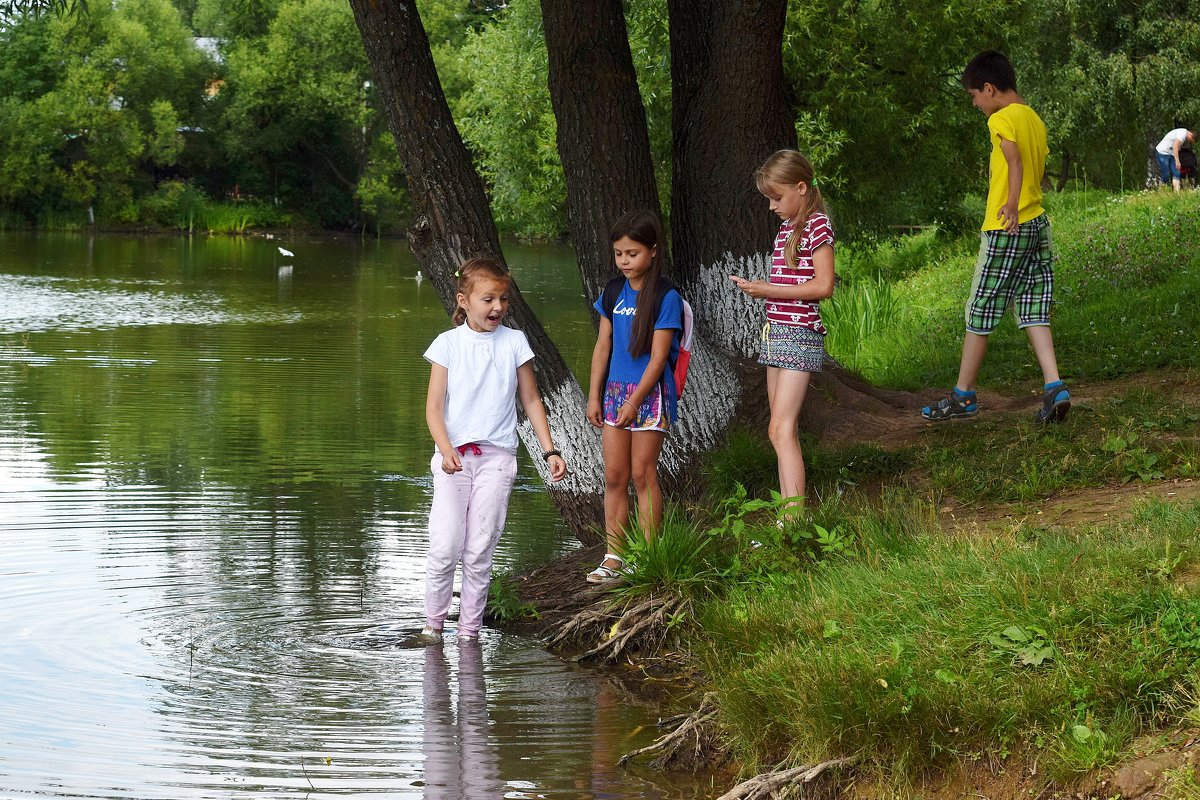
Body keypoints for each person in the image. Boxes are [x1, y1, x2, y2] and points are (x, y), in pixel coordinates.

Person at [419, 258, 567, 642]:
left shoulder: (514, 342)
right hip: (453, 460)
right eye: (488, 299)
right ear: (463, 300)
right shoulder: (447, 344)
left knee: (480, 549)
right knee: (445, 547)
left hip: (498, 460)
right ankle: (432, 628)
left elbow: (531, 400)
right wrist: (445, 448)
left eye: (503, 298)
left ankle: (469, 633)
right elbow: (434, 408)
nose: (497, 307)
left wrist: (550, 450)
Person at [920, 50, 1070, 425]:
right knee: (1033, 303)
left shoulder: (1001, 118)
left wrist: (1012, 205)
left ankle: (963, 395)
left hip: (1008, 224)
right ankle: (1054, 386)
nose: (975, 103)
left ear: (989, 88)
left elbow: (1014, 159)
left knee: (980, 307)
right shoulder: (1033, 117)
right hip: (1038, 224)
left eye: (974, 95)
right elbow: (1033, 164)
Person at [729, 149, 835, 522]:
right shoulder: (787, 229)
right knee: (777, 430)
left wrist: (769, 290)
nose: (772, 206)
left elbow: (823, 286)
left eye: (777, 197)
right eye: (769, 199)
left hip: (799, 335)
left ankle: (794, 520)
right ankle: (787, 516)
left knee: (781, 427)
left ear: (801, 188)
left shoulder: (817, 225)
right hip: (776, 334)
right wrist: (760, 288)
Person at [585, 210, 683, 584]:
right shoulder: (613, 291)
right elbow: (603, 345)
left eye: (633, 253)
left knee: (642, 474)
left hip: (648, 395)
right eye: (619, 254)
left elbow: (659, 358)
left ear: (653, 251)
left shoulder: (665, 296)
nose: (625, 261)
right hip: (613, 393)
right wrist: (595, 395)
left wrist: (633, 403)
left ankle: (647, 555)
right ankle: (614, 556)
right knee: (614, 475)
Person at [1155, 127, 1196, 192]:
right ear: (1190, 135)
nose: (1189, 141)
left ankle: (1176, 192)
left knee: (1177, 172)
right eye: (1191, 140)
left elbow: (1177, 147)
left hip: (1171, 153)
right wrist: (1177, 161)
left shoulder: (1183, 135)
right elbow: (1175, 146)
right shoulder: (1182, 134)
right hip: (1162, 152)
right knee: (1166, 174)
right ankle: (1161, 190)